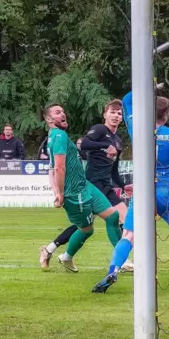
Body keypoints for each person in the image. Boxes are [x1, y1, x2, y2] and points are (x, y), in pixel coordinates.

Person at [93, 92, 169, 293]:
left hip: (144, 191)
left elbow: (125, 101)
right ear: (166, 114)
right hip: (168, 191)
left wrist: (147, 86)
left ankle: (112, 272)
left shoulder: (138, 129)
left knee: (129, 235)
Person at [40, 100, 131, 271]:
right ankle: (58, 254)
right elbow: (57, 167)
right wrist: (59, 193)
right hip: (76, 191)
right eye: (57, 112)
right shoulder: (61, 136)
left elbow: (52, 168)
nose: (63, 114)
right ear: (49, 119)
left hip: (88, 185)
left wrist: (123, 185)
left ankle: (121, 260)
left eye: (63, 111)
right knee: (86, 229)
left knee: (113, 217)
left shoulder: (60, 136)